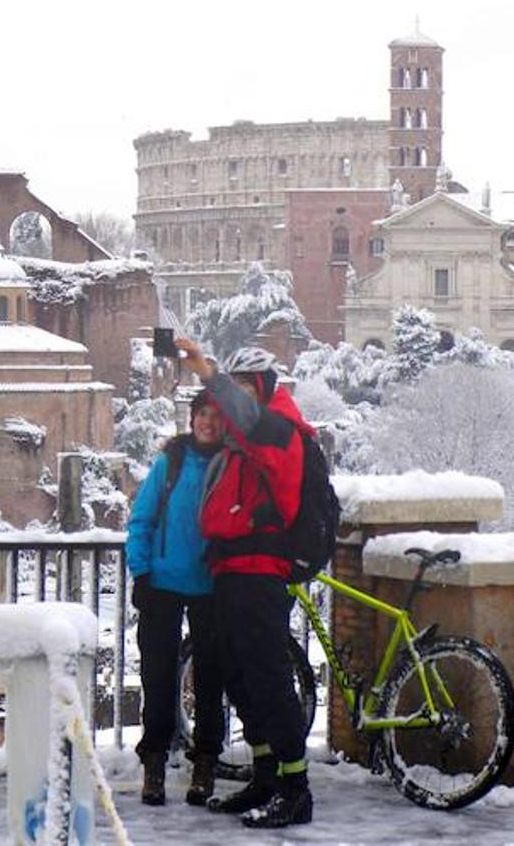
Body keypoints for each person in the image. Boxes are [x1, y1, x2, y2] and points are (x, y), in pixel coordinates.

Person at [177, 338, 315, 829]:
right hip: (232, 570)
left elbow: (242, 413)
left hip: (259, 571)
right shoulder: (249, 438)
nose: (229, 399)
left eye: (239, 388)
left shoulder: (276, 429)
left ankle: (295, 788)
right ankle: (265, 776)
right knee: (240, 677)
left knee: (269, 679)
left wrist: (208, 373)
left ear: (256, 387)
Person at [124, 390, 227, 807]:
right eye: (202, 414)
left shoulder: (229, 466)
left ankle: (205, 762)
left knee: (210, 679)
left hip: (212, 587)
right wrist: (142, 572)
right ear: (192, 418)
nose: (208, 422)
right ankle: (154, 763)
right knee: (159, 676)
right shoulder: (170, 464)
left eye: (216, 417)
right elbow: (142, 520)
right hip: (163, 585)